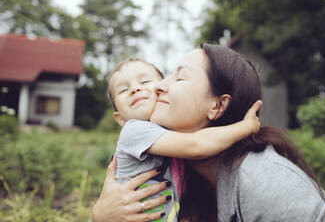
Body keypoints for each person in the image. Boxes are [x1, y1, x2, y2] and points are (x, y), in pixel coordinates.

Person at [92, 43, 325, 222]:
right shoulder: (178, 167)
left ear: (218, 106)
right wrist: (101, 217)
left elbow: (198, 145)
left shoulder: (265, 182)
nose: (158, 87)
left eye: (179, 79)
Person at [106, 58, 262, 221]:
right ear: (119, 119)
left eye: (144, 81)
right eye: (123, 90)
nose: (135, 89)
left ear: (162, 88)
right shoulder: (134, 130)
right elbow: (196, 145)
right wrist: (246, 127)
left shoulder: (167, 131)